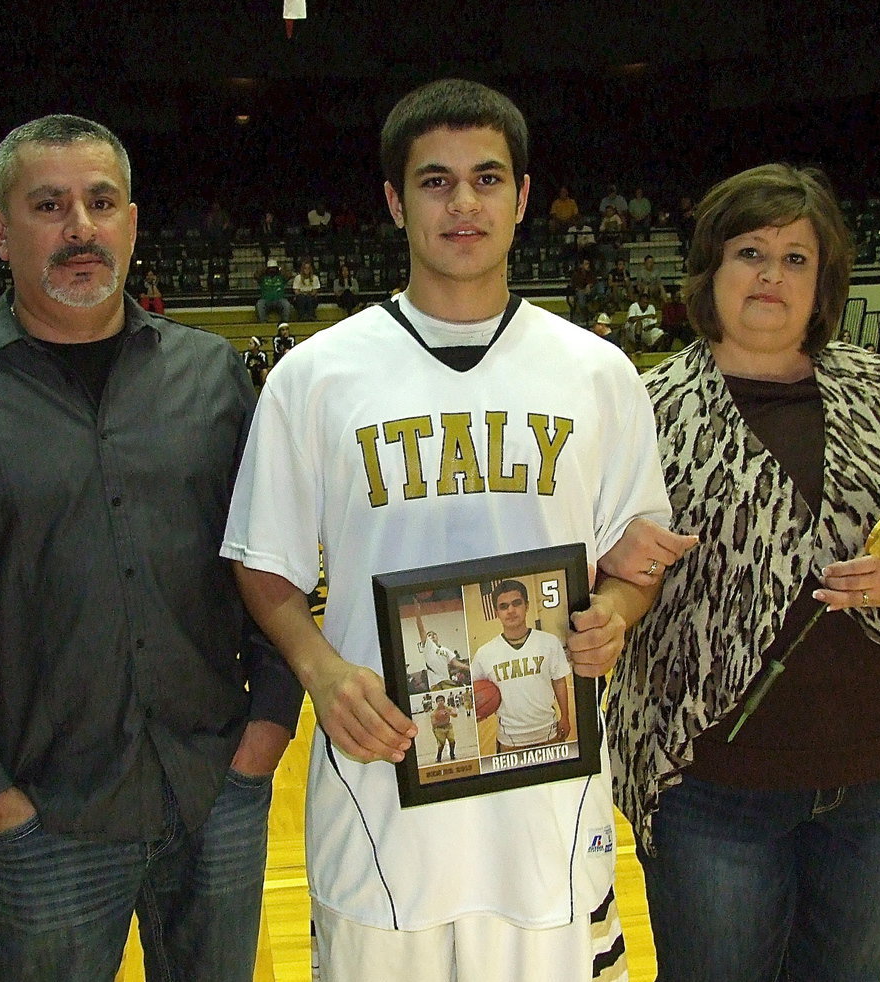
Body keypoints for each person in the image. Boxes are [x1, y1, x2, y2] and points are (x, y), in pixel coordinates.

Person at [223, 78, 675, 982]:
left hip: (548, 793)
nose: (463, 203)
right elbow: (264, 563)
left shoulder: (599, 373)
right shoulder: (315, 377)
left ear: (521, 196)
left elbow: (636, 561)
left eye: (486, 178)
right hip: (381, 779)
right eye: (434, 181)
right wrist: (320, 670)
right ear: (395, 202)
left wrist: (617, 614)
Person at [0, 114, 304, 982]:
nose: (80, 229)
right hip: (44, 821)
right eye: (48, 205)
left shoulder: (211, 375)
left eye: (101, 203)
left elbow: (276, 559)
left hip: (218, 791)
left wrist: (266, 732)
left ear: (131, 223)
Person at [602, 163, 880, 982]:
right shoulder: (643, 409)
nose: (770, 275)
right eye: (750, 251)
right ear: (710, 268)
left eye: (796, 259)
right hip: (712, 783)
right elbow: (596, 568)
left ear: (823, 281)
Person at [471, 580, 571, 751]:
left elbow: (559, 682)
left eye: (516, 603)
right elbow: (472, 691)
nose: (510, 610)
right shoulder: (484, 653)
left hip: (549, 733)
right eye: (503, 606)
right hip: (510, 740)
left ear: (527, 606)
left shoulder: (549, 642)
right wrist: (477, 709)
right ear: (496, 612)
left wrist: (566, 717)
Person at [414, 607, 468, 690]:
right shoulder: (428, 645)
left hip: (446, 680)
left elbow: (455, 663)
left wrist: (467, 667)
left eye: (434, 634)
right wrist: (417, 613)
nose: (432, 636)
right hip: (435, 683)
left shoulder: (445, 650)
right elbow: (421, 629)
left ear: (437, 637)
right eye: (429, 635)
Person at [429, 695, 457, 763]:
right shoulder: (434, 713)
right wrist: (441, 718)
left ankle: (452, 754)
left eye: (441, 700)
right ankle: (438, 757)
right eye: (438, 701)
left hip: (448, 726)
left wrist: (449, 713)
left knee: (452, 740)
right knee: (441, 744)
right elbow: (434, 723)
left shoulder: (448, 708)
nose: (440, 702)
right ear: (436, 703)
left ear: (444, 701)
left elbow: (455, 714)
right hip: (438, 729)